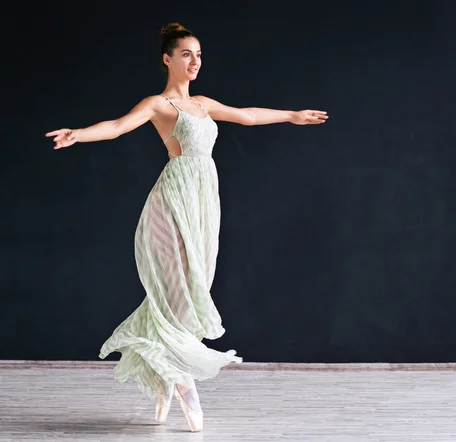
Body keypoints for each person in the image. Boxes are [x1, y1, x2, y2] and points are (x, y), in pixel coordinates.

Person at [46, 22, 328, 432]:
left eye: (198, 55)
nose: (195, 61)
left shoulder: (204, 103)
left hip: (203, 202)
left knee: (194, 288)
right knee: (178, 288)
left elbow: (247, 117)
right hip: (173, 199)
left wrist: (291, 116)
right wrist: (78, 135)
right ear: (168, 59)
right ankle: (182, 381)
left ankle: (164, 376)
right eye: (186, 55)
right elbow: (118, 126)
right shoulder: (159, 104)